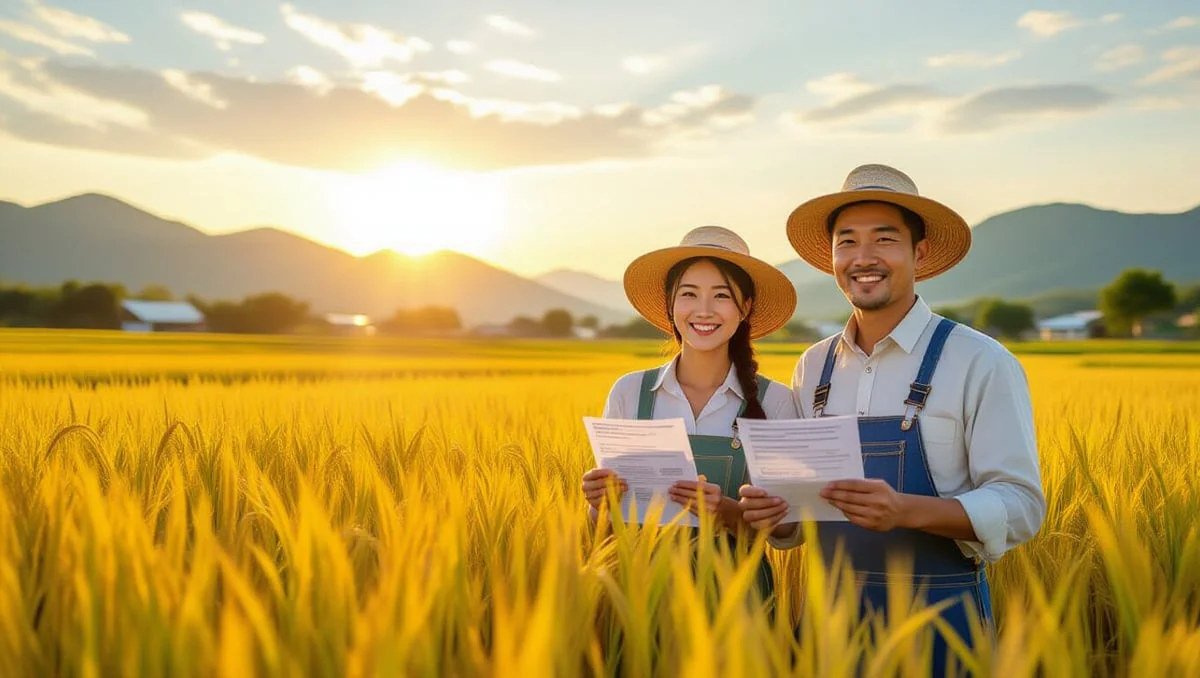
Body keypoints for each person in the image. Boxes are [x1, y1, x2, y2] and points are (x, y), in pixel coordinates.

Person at [739, 164, 1045, 673]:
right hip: (827, 622)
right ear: (832, 257)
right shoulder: (813, 367)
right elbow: (798, 521)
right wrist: (776, 514)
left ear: (919, 253)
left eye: (884, 239)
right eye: (847, 242)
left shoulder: (980, 360)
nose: (863, 258)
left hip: (942, 624)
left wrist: (905, 511)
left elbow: (1021, 505)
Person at [581, 225, 800, 605]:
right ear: (671, 304)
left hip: (742, 609)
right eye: (689, 294)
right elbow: (604, 530)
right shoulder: (630, 394)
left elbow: (789, 532)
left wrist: (727, 512)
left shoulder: (776, 402)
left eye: (721, 295)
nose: (703, 310)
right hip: (641, 605)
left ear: (744, 308)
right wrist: (597, 504)